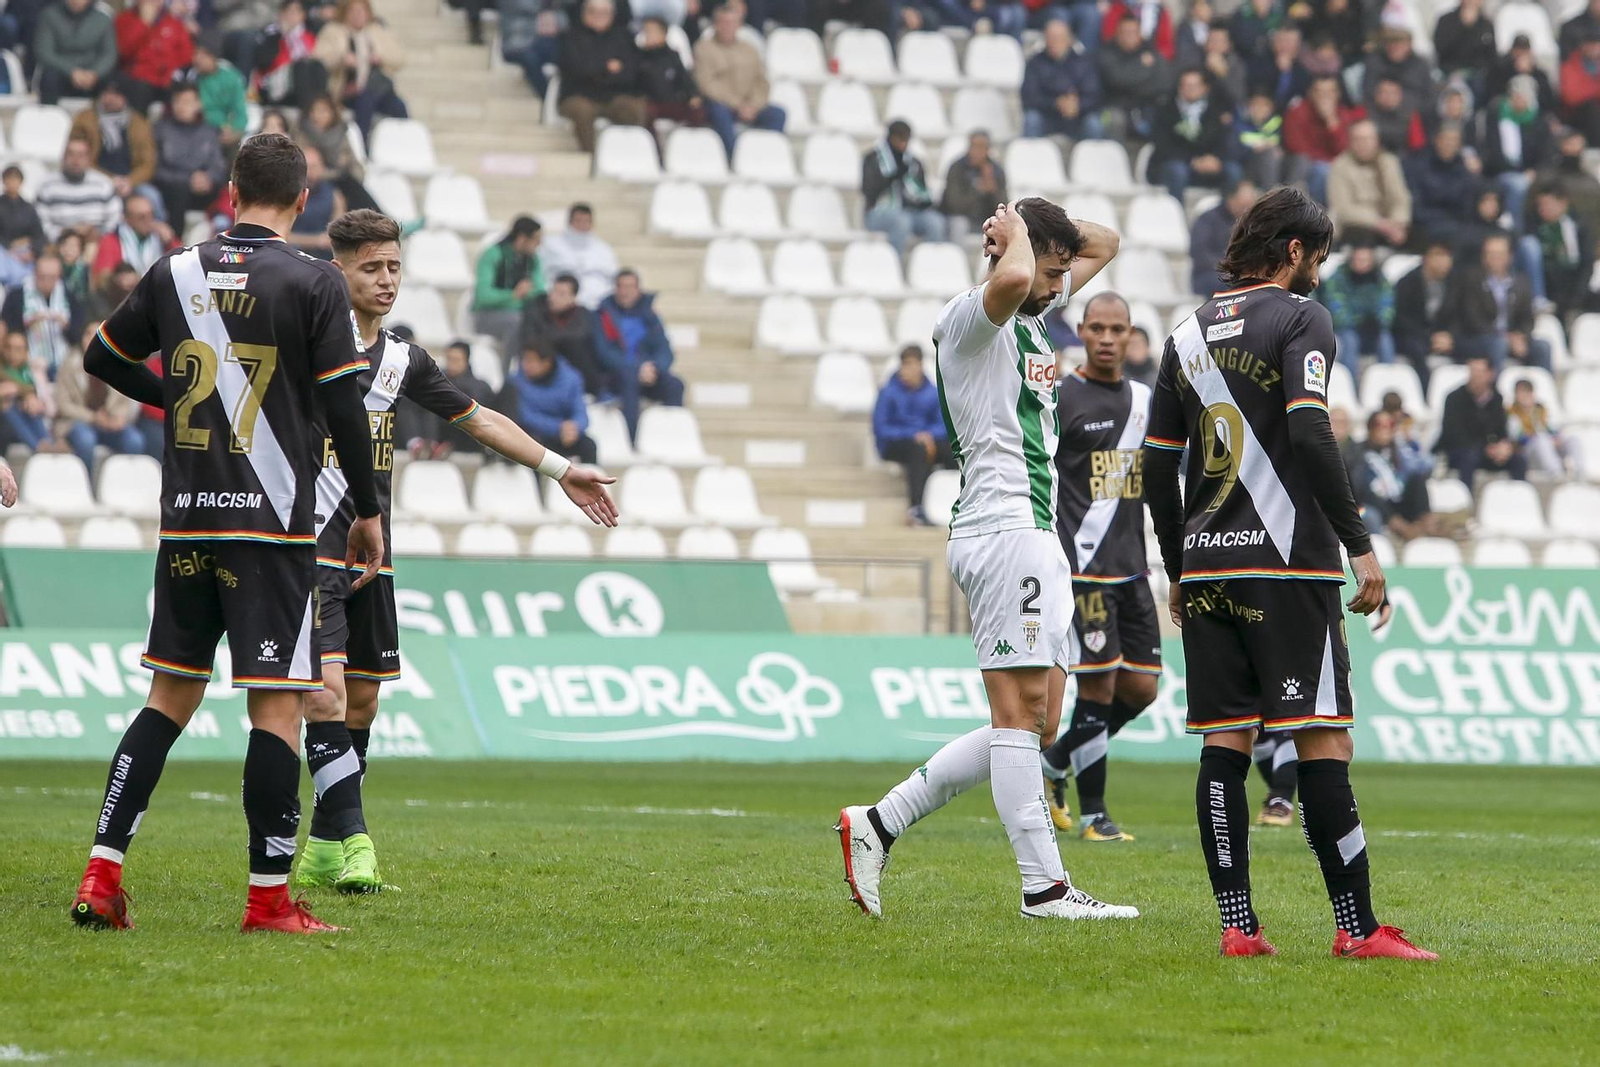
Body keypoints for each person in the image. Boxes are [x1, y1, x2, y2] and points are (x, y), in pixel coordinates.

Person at [67, 133, 387, 936]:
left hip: (186, 523)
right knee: (275, 711)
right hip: (272, 529)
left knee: (167, 698)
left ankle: (101, 877)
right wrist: (371, 510)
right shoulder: (314, 280)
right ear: (303, 200)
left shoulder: (173, 270)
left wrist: (172, 399)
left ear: (232, 192)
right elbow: (347, 407)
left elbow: (99, 356)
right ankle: (268, 901)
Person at [1142, 185, 1437, 960]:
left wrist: (1178, 566)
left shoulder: (1185, 332)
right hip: (1286, 567)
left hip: (1206, 570)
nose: (1320, 274)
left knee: (1223, 743)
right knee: (1322, 742)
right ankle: (1357, 926)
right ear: (1297, 251)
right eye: (1319, 258)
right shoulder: (1303, 318)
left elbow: (1154, 465)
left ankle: (1239, 926)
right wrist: (1359, 543)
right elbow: (1309, 428)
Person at [292, 210, 616, 893]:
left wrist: (560, 469)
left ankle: (322, 844)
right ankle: (356, 844)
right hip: (304, 545)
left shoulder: (403, 359)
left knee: (362, 705)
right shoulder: (306, 348)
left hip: (370, 550)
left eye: (394, 267)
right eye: (370, 268)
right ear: (337, 269)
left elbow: (482, 419)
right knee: (322, 694)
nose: (386, 281)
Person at [836, 197, 1134, 922]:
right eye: (1050, 267)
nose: (1061, 281)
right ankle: (1045, 888)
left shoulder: (1033, 309)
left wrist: (1041, 239)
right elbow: (1012, 279)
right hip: (1002, 530)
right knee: (1017, 712)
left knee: (1040, 717)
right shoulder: (972, 317)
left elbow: (1109, 240)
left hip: (1036, 534)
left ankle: (878, 822)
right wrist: (1016, 244)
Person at [1040, 291, 1160, 843]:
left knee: (1141, 689)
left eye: (1118, 330)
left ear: (1131, 335)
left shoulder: (1144, 401)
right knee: (1098, 688)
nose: (1108, 339)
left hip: (1133, 568)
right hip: (1083, 570)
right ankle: (1095, 815)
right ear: (1081, 332)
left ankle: (1057, 759)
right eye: (1098, 329)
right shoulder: (1062, 399)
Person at [596, 268, 685, 438]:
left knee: (675, 385)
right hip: (615, 376)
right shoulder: (603, 315)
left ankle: (674, 436)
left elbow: (664, 349)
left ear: (638, 289)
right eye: (622, 287)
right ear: (615, 289)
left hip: (647, 373)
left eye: (631, 287)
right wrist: (637, 369)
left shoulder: (649, 315)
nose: (626, 292)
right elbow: (604, 353)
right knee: (629, 380)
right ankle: (631, 439)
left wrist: (655, 367)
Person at [872, 344, 952, 524]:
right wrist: (916, 435)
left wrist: (927, 436)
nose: (908, 369)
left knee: (952, 450)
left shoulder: (933, 392)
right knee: (918, 450)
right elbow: (882, 429)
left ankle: (954, 500)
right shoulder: (888, 392)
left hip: (927, 441)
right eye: (905, 364)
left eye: (912, 364)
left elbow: (943, 424)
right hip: (896, 443)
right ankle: (915, 507)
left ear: (921, 365)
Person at [693, 3, 784, 158]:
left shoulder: (750, 49)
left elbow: (761, 82)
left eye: (732, 23)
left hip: (749, 105)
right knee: (718, 112)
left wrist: (754, 105)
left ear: (739, 25)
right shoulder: (704, 48)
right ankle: (734, 156)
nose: (727, 27)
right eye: (723, 22)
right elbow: (706, 84)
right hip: (722, 104)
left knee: (778, 114)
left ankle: (767, 155)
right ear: (716, 24)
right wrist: (736, 104)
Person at [557, 0, 646, 154]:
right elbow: (576, 71)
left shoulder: (623, 37)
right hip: (578, 95)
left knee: (635, 108)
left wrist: (598, 72)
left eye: (605, 13)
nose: (599, 16)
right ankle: (589, 156)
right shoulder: (570, 37)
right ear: (584, 13)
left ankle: (627, 154)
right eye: (594, 11)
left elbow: (631, 72)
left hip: (613, 96)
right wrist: (606, 69)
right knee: (583, 110)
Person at [56, 319, 144, 471]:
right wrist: (94, 417)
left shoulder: (119, 365)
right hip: (78, 422)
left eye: (98, 335)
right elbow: (63, 404)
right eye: (88, 334)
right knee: (85, 440)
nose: (92, 339)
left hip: (110, 423)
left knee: (135, 440)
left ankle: (123, 488)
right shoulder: (69, 364)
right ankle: (86, 487)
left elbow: (126, 400)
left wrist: (118, 419)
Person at [314, 0, 408, 139]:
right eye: (353, 11)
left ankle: (405, 141)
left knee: (398, 106)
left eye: (361, 11)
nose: (357, 15)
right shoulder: (333, 31)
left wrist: (380, 57)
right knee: (365, 98)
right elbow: (318, 58)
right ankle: (361, 143)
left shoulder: (376, 31)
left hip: (376, 89)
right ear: (345, 13)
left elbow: (400, 58)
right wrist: (342, 58)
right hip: (345, 90)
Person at [499, 336, 600, 464]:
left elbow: (580, 410)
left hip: (564, 436)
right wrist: (558, 427)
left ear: (546, 363)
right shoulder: (514, 383)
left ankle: (590, 482)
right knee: (532, 448)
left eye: (531, 361)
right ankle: (535, 484)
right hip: (534, 434)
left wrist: (575, 426)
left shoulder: (571, 379)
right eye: (524, 359)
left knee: (588, 445)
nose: (525, 365)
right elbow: (524, 416)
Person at [1458, 233, 1551, 370]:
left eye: (1499, 254)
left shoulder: (1521, 282)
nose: (1495, 258)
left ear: (1510, 257)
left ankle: (1539, 389)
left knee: (1542, 347)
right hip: (1481, 338)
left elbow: (1527, 318)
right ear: (1483, 257)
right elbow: (1473, 320)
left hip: (1512, 339)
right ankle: (1496, 388)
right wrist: (1507, 338)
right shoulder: (1472, 280)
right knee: (1499, 344)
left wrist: (1521, 336)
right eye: (1491, 254)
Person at [1150, 67, 1240, 201]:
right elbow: (1162, 146)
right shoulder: (1165, 110)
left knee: (1233, 171)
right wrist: (1192, 161)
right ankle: (1177, 217)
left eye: (1195, 85)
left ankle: (1227, 218)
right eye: (1186, 85)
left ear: (1205, 88)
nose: (1190, 89)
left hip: (1207, 166)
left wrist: (1216, 159)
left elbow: (1224, 140)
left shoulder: (1215, 112)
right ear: (1179, 88)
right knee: (1178, 171)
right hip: (1173, 165)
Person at [69, 78, 159, 206]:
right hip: (93, 179)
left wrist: (130, 181)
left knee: (152, 197)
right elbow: (78, 156)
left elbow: (148, 162)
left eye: (116, 94)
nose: (110, 98)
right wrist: (110, 180)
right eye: (106, 93)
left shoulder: (139, 124)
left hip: (131, 182)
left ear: (125, 97)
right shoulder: (84, 120)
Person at [862, 120, 945, 258]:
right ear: (890, 137)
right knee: (902, 221)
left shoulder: (914, 162)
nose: (903, 143)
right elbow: (868, 192)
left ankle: (929, 265)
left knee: (935, 222)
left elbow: (922, 192)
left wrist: (921, 201)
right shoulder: (872, 159)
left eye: (905, 139)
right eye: (899, 138)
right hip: (878, 213)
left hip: (911, 212)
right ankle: (894, 264)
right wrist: (892, 178)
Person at [1438, 355, 1526, 483]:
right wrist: (1485, 448)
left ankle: (1519, 497)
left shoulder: (1496, 399)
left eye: (1479, 373)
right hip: (1460, 451)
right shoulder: (1454, 398)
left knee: (1519, 460)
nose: (1475, 377)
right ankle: (1466, 499)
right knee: (1469, 457)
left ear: (1491, 374)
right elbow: (1453, 434)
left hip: (1487, 452)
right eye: (1472, 372)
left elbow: (1501, 429)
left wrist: (1503, 446)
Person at [520, 272, 612, 394]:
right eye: (553, 292)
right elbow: (531, 338)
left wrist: (556, 337)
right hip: (544, 358)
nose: (553, 298)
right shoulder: (537, 308)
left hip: (572, 361)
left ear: (573, 298)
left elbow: (582, 335)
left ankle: (595, 390)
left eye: (561, 294)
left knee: (581, 346)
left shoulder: (583, 314)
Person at [151, 85, 229, 227]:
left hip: (203, 187)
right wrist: (188, 179)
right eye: (177, 101)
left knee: (227, 190)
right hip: (171, 186)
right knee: (178, 191)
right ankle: (176, 241)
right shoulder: (160, 129)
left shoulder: (208, 131)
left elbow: (218, 165)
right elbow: (155, 168)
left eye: (186, 102)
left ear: (198, 104)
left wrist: (208, 177)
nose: (181, 106)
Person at [1480, 76, 1550, 230]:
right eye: (1516, 95)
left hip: (1527, 173)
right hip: (1497, 171)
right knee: (1516, 185)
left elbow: (1546, 153)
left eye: (1524, 96)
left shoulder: (1539, 122)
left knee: (1522, 184)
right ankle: (1513, 228)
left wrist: (1535, 171)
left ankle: (1516, 227)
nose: (1520, 100)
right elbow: (1489, 147)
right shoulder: (1494, 115)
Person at [1281, 75, 1364, 206]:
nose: (1325, 96)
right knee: (1323, 170)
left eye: (1330, 92)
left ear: (1338, 94)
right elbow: (1295, 147)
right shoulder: (1296, 112)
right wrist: (1328, 162)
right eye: (1320, 92)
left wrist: (1331, 122)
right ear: (1311, 93)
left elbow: (1345, 150)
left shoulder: (1344, 114)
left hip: (1337, 167)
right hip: (1306, 168)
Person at [1327, 119, 1410, 248]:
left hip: (1390, 224)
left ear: (1376, 140)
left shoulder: (1389, 162)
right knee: (1362, 236)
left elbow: (1400, 198)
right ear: (1350, 142)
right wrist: (1380, 224)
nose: (1363, 144)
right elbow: (1343, 208)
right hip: (1358, 225)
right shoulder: (1340, 165)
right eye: (1358, 139)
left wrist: (1398, 223)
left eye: (1368, 139)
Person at [1352, 410, 1434, 540]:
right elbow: (1358, 485)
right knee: (1370, 494)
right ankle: (1400, 527)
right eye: (1380, 425)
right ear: (1370, 428)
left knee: (1417, 480)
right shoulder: (1358, 451)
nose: (1386, 430)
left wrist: (1411, 441)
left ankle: (1428, 525)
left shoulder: (1398, 450)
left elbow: (1424, 468)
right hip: (1374, 502)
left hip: (1398, 497)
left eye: (1390, 425)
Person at [473, 216, 545, 360]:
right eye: (536, 240)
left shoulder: (532, 260)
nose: (539, 245)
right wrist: (513, 295)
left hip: (522, 312)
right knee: (517, 322)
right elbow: (483, 296)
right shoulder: (493, 255)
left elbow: (540, 290)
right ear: (522, 238)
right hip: (488, 315)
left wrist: (524, 294)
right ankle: (509, 372)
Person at [1316, 243, 1394, 375]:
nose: (1361, 264)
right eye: (1358, 260)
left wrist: (1378, 321)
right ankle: (1352, 388)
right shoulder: (1337, 279)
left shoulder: (1380, 279)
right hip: (1346, 328)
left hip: (1373, 327)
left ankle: (1387, 382)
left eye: (1365, 260)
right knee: (1350, 342)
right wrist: (1358, 321)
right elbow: (1335, 308)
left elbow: (1387, 305)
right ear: (1351, 260)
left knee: (1385, 341)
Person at [295, 94, 378, 213]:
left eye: (323, 111)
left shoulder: (340, 133)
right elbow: (307, 165)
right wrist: (335, 172)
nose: (318, 115)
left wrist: (355, 175)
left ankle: (379, 218)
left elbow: (353, 163)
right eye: (315, 111)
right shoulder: (302, 133)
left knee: (352, 187)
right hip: (316, 181)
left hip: (342, 179)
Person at [1021, 18, 1102, 140]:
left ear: (1069, 39)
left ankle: (1094, 158)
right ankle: (1031, 158)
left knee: (1094, 124)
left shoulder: (1084, 62)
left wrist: (1077, 105)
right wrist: (1056, 103)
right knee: (1031, 119)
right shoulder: (1035, 63)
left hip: (1077, 116)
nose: (1054, 42)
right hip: (1047, 115)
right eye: (1051, 37)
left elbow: (1094, 94)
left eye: (1058, 38)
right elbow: (1028, 96)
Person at [1392, 241, 1457, 389]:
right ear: (1426, 258)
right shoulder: (1407, 282)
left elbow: (1460, 315)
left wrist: (1450, 336)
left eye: (1447, 257)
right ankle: (1426, 391)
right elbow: (1402, 319)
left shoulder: (1455, 283)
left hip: (1444, 336)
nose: (1444, 262)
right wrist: (1429, 337)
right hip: (1414, 336)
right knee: (1417, 349)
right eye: (1439, 256)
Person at [3, 252, 82, 373]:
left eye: (52, 277)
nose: (46, 281)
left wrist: (65, 324)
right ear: (35, 274)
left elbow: (78, 333)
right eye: (42, 276)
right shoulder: (16, 296)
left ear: (58, 276)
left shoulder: (69, 297)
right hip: (29, 363)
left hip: (64, 360)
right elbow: (9, 330)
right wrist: (29, 322)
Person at [1098, 13, 1172, 140]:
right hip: (1113, 108)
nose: (1128, 36)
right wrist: (1142, 66)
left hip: (1145, 107)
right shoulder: (1107, 52)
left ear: (1139, 34)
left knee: (1166, 115)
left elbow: (1163, 83)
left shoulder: (1150, 51)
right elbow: (1117, 80)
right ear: (1117, 33)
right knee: (1113, 119)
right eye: (1125, 32)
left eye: (1133, 32)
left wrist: (1130, 80)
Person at [1523, 183, 1592, 317]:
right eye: (1540, 205)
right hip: (1550, 290)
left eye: (1548, 204)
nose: (1543, 209)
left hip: (1575, 289)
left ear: (1563, 203)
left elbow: (1586, 263)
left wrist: (1577, 297)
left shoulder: (1578, 227)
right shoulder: (1535, 229)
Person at [114, 0, 194, 110]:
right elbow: (125, 51)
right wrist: (144, 23)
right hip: (138, 80)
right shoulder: (124, 20)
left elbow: (186, 56)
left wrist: (171, 71)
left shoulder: (173, 22)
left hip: (167, 80)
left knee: (183, 91)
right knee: (139, 89)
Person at [34, 0, 118, 105]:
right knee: (49, 77)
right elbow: (44, 52)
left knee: (115, 81)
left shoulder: (103, 20)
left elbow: (109, 54)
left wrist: (95, 73)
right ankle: (50, 117)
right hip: (62, 73)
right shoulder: (49, 16)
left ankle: (103, 119)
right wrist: (71, 71)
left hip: (93, 75)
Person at [540, 203, 619, 309]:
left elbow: (613, 278)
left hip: (595, 304)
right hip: (560, 305)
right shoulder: (550, 245)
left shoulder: (604, 249)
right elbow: (541, 273)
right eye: (578, 221)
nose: (582, 225)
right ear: (569, 222)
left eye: (586, 221)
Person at [90, 194, 175, 288]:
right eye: (141, 217)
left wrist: (170, 242)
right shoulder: (112, 240)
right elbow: (102, 278)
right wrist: (120, 279)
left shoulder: (161, 238)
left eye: (151, 215)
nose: (148, 221)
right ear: (127, 219)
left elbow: (180, 268)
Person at [252, 0, 324, 110]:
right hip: (273, 81)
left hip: (299, 83)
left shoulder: (309, 37)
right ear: (282, 13)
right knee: (301, 67)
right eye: (289, 12)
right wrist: (282, 35)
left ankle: (319, 106)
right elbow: (264, 62)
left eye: (296, 12)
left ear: (303, 15)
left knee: (317, 65)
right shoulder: (272, 33)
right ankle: (307, 110)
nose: (292, 16)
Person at [0, 329, 64, 452]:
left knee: (28, 406)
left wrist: (31, 399)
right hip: (4, 426)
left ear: (26, 352)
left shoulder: (31, 372)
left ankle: (47, 443)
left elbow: (48, 405)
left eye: (18, 349)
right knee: (9, 406)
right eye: (9, 347)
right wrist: (26, 393)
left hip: (33, 418)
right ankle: (38, 447)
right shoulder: (2, 369)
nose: (13, 353)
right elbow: (11, 385)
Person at [1190, 178, 1256, 296]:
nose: (1247, 210)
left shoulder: (1252, 224)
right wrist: (1229, 267)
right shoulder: (1208, 220)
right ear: (1231, 199)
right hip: (1209, 275)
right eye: (1244, 205)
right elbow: (1200, 253)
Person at [638, 16, 702, 131]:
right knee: (646, 111)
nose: (647, 35)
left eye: (651, 31)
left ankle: (686, 143)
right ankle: (655, 147)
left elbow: (685, 79)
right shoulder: (639, 57)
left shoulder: (672, 56)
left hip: (671, 102)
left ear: (663, 34)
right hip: (650, 103)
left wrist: (693, 95)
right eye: (646, 31)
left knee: (697, 110)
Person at [940, 131, 1009, 239]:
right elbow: (953, 204)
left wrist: (993, 190)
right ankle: (958, 255)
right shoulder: (957, 168)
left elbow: (1004, 206)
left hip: (985, 219)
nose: (977, 151)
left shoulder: (996, 171)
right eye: (974, 146)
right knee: (959, 224)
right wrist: (977, 190)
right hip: (960, 218)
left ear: (988, 149)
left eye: (982, 147)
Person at [191, 31, 250, 156]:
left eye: (204, 54)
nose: (198, 58)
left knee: (238, 151)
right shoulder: (191, 78)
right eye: (196, 53)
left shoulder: (231, 77)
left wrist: (234, 130)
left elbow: (240, 111)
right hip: (197, 130)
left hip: (225, 131)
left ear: (215, 56)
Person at [1507, 378, 1580, 476]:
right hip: (1527, 451)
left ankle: (1581, 474)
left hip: (1548, 445)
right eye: (1520, 393)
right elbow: (1517, 438)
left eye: (1527, 392)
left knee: (1573, 439)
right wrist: (1539, 437)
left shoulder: (1540, 410)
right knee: (1541, 440)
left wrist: (1555, 438)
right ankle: (1557, 474)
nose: (1523, 396)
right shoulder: (1512, 414)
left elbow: (1551, 429)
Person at [287, 145, 345, 259]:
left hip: (326, 255)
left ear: (322, 167)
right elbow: (280, 236)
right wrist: (316, 241)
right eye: (306, 168)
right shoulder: (287, 196)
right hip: (294, 255)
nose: (310, 173)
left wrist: (328, 239)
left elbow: (339, 229)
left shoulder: (334, 195)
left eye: (314, 167)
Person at [1363, 27, 1434, 116]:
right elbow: (1368, 91)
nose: (1395, 48)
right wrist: (1386, 97)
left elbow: (1428, 95)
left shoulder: (1420, 65)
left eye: (1400, 45)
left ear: (1409, 46)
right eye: (1392, 44)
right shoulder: (1375, 62)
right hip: (1378, 113)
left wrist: (1401, 100)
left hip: (1412, 114)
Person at [1432, 0, 1496, 78]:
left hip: (1476, 74)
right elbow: (1440, 48)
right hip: (1448, 71)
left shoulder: (1486, 25)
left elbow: (1490, 56)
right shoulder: (1445, 21)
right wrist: (1462, 25)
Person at [1234, 90, 1283, 188]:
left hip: (1277, 164)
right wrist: (1253, 150)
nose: (1259, 109)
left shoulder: (1278, 123)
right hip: (1248, 163)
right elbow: (1234, 150)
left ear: (1271, 107)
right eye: (1255, 105)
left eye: (1264, 105)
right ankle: (1271, 191)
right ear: (1248, 107)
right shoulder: (1240, 124)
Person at [1562, 28, 1600, 145]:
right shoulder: (1570, 66)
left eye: (1596, 44)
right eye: (1591, 44)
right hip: (1576, 115)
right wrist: (1595, 89)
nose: (1594, 48)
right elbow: (1571, 96)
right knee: (1591, 109)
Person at [0, 167, 44, 254]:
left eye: (15, 179)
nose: (12, 183)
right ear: (4, 181)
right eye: (9, 179)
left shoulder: (28, 208)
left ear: (21, 182)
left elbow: (38, 233)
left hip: (26, 252)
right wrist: (10, 244)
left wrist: (29, 243)